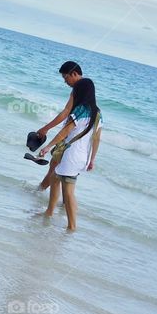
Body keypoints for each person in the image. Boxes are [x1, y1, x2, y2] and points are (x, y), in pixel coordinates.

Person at [37, 78, 102, 231]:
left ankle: (72, 227)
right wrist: (92, 159)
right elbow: (97, 138)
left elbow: (64, 132)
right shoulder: (98, 113)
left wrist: (48, 146)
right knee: (54, 178)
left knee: (69, 192)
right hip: (82, 157)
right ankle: (49, 212)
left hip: (71, 155)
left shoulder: (80, 110)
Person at [35, 61, 84, 191]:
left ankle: (37, 192)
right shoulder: (86, 90)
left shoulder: (79, 89)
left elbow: (66, 112)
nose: (65, 81)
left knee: (54, 169)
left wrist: (46, 128)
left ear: (74, 74)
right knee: (64, 174)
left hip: (69, 137)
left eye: (65, 77)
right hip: (79, 141)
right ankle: (62, 204)